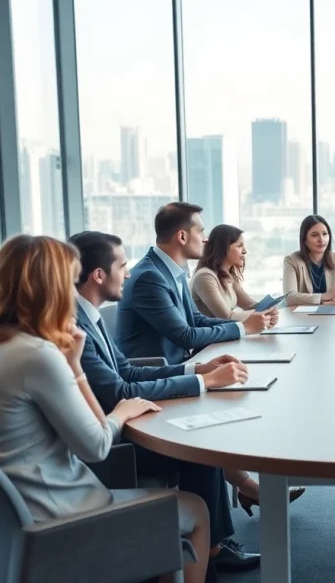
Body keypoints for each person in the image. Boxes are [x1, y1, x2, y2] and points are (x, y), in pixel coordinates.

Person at [0, 235, 210, 583]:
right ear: (53, 286)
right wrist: (108, 400)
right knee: (196, 510)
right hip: (56, 516)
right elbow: (97, 446)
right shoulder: (37, 355)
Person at [70, 230, 303, 558]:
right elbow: (119, 391)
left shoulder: (88, 316)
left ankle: (214, 546)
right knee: (201, 450)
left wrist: (198, 371)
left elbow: (129, 371)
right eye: (122, 265)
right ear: (98, 274)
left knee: (207, 437)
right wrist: (204, 383)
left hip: (122, 420)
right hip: (111, 445)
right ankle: (213, 551)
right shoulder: (75, 326)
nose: (129, 273)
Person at [117, 202, 271, 365]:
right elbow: (185, 337)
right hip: (158, 375)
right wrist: (243, 327)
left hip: (184, 364)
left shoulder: (174, 271)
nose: (205, 239)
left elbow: (196, 319)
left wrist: (246, 323)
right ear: (182, 237)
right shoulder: (149, 278)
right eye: (201, 232)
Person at [191, 224, 281, 328]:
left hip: (224, 337)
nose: (245, 251)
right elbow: (226, 317)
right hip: (209, 342)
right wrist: (262, 314)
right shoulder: (205, 277)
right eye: (239, 246)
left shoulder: (229, 275)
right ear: (222, 248)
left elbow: (250, 305)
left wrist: (269, 312)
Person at [282, 215, 335, 306]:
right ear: (304, 239)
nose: (321, 239)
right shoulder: (291, 260)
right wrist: (323, 296)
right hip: (303, 316)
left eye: (324, 234)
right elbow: (290, 297)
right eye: (315, 235)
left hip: (332, 313)